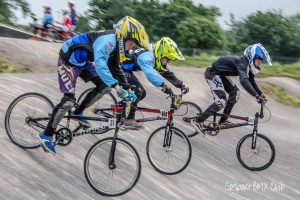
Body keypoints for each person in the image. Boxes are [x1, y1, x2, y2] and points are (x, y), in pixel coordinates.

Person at [38, 16, 150, 154]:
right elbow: (102, 66)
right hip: (68, 60)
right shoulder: (108, 40)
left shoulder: (116, 45)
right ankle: (46, 135)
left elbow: (115, 67)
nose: (131, 47)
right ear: (124, 37)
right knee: (68, 102)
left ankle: (78, 113)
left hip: (82, 62)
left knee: (105, 87)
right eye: (131, 44)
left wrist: (127, 88)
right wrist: (116, 86)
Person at [192, 43, 272, 133]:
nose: (259, 64)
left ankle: (223, 120)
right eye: (258, 61)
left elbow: (251, 81)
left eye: (260, 62)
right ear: (251, 56)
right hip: (212, 73)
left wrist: (260, 93)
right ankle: (198, 120)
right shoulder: (243, 63)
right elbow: (244, 80)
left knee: (235, 93)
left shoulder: (248, 66)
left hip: (221, 75)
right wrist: (256, 96)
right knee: (221, 101)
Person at [120, 37, 189, 129]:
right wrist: (163, 85)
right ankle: (128, 119)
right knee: (138, 90)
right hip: (118, 68)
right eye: (167, 59)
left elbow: (166, 72)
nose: (167, 62)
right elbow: (150, 74)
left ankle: (122, 109)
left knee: (142, 93)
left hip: (125, 69)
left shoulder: (155, 56)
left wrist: (181, 85)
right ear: (161, 54)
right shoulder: (147, 57)